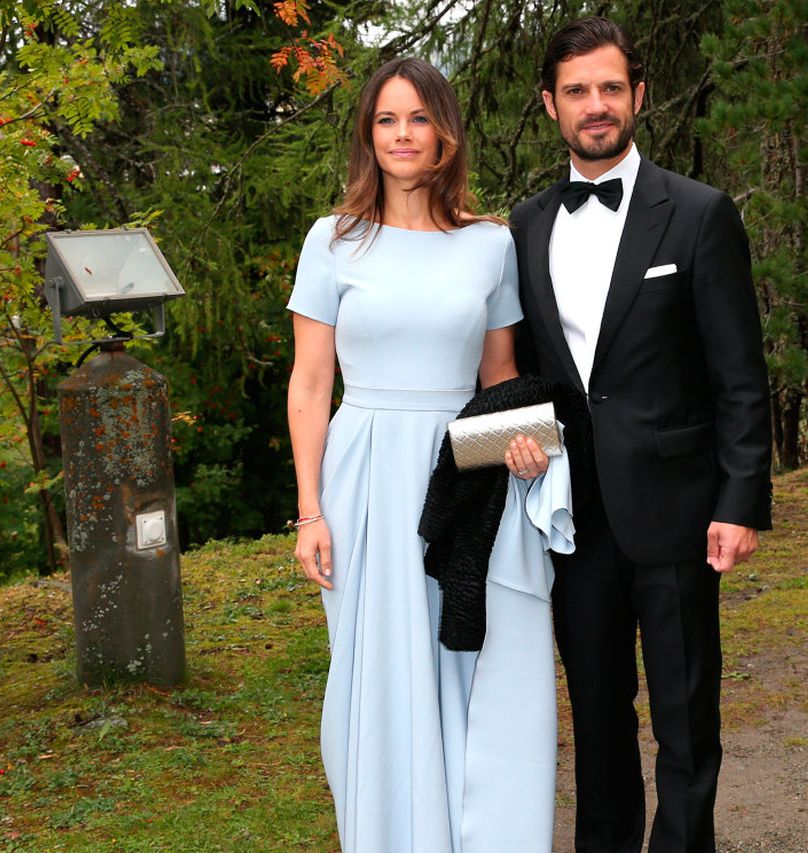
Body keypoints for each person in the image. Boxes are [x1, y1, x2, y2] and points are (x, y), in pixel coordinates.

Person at [286, 57, 571, 853]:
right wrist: (309, 511)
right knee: (376, 668)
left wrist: (528, 449)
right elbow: (310, 386)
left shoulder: (490, 244)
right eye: (385, 120)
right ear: (367, 137)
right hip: (364, 473)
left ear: (445, 130)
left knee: (468, 653)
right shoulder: (332, 241)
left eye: (417, 118)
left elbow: (502, 381)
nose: (402, 135)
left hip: (465, 468)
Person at [510, 17, 774, 853]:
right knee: (596, 716)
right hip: (571, 517)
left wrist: (741, 501)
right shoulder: (521, 228)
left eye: (612, 88)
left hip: (679, 511)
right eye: (578, 91)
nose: (597, 106)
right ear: (550, 104)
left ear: (640, 97)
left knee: (687, 716)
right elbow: (513, 369)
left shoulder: (699, 215)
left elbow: (739, 376)